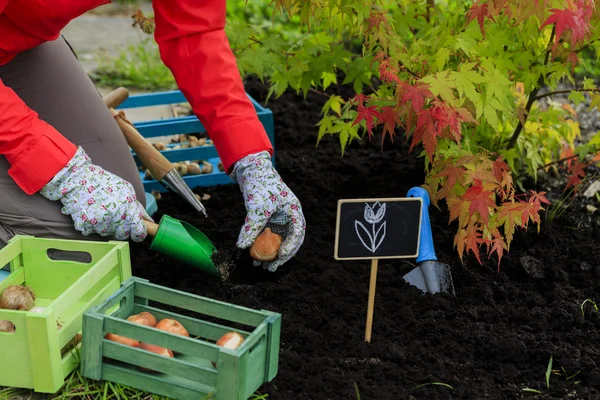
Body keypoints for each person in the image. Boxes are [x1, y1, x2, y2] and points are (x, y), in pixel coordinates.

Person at [0, 0, 305, 272]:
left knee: (117, 215)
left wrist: (250, 159)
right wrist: (62, 172)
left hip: (16, 39)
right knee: (67, 245)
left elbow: (194, 31)